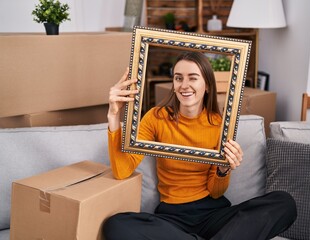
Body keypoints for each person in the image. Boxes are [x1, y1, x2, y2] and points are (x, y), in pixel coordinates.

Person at [104, 51, 297, 240]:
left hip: (213, 214)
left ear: (207, 86)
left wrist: (223, 169)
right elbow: (122, 170)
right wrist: (113, 116)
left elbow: (216, 191)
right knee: (116, 225)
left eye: (193, 78)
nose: (184, 85)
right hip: (172, 218)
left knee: (284, 203)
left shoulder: (220, 125)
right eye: (178, 78)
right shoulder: (156, 117)